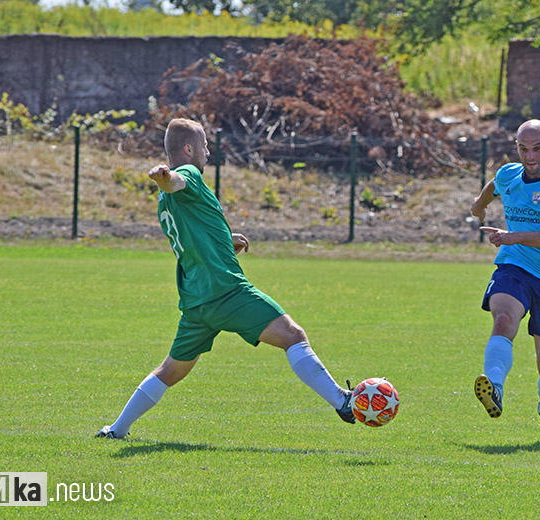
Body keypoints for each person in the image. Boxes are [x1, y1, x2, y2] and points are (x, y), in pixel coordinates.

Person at [97, 118, 356, 439]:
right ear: (189, 149)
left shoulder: (166, 204)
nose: (207, 152)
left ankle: (116, 429)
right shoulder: (188, 174)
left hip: (196, 302)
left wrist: (223, 239)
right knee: (292, 335)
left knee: (170, 371)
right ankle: (343, 402)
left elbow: (192, 235)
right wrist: (163, 176)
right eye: (204, 146)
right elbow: (174, 180)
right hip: (226, 291)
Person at [470, 119, 540, 442]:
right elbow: (494, 186)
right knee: (503, 318)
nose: (530, 156)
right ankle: (494, 387)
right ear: (516, 148)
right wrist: (479, 206)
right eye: (523, 149)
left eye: (536, 148)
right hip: (515, 267)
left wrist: (512, 235)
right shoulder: (509, 174)